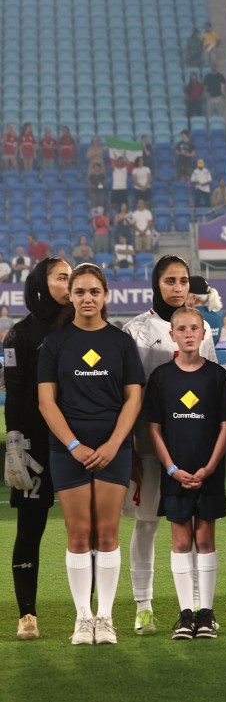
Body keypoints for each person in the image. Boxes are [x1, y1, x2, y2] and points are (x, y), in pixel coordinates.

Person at [37, 264, 145, 644]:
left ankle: (106, 617)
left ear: (105, 296)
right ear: (71, 296)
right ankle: (83, 617)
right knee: (79, 534)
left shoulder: (120, 342)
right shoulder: (55, 344)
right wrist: (73, 445)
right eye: (80, 292)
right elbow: (47, 402)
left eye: (94, 292)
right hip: (69, 450)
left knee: (108, 533)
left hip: (112, 448)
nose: (87, 298)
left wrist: (115, 444)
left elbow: (134, 397)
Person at [121, 257, 219, 634]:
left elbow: (209, 385)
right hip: (150, 443)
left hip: (192, 444)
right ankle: (143, 605)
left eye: (182, 281)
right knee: (147, 525)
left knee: (193, 525)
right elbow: (131, 393)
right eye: (169, 281)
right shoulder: (137, 330)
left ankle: (196, 606)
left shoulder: (201, 327)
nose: (178, 288)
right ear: (155, 284)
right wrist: (130, 445)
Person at [145, 307, 226, 639]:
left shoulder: (216, 376)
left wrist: (209, 467)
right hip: (175, 473)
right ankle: (186, 614)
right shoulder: (162, 378)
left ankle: (206, 613)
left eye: (193, 328)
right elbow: (154, 428)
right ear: (172, 336)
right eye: (180, 328)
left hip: (207, 471)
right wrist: (171, 469)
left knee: (205, 539)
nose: (187, 333)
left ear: (203, 333)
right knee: (181, 541)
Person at [3, 259, 72, 640]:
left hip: (79, 447)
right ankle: (27, 614)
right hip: (35, 448)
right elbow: (14, 395)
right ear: (42, 285)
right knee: (30, 529)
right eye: (63, 277)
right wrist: (15, 443)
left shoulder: (83, 327)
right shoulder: (18, 336)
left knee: (87, 531)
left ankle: (89, 612)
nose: (70, 283)